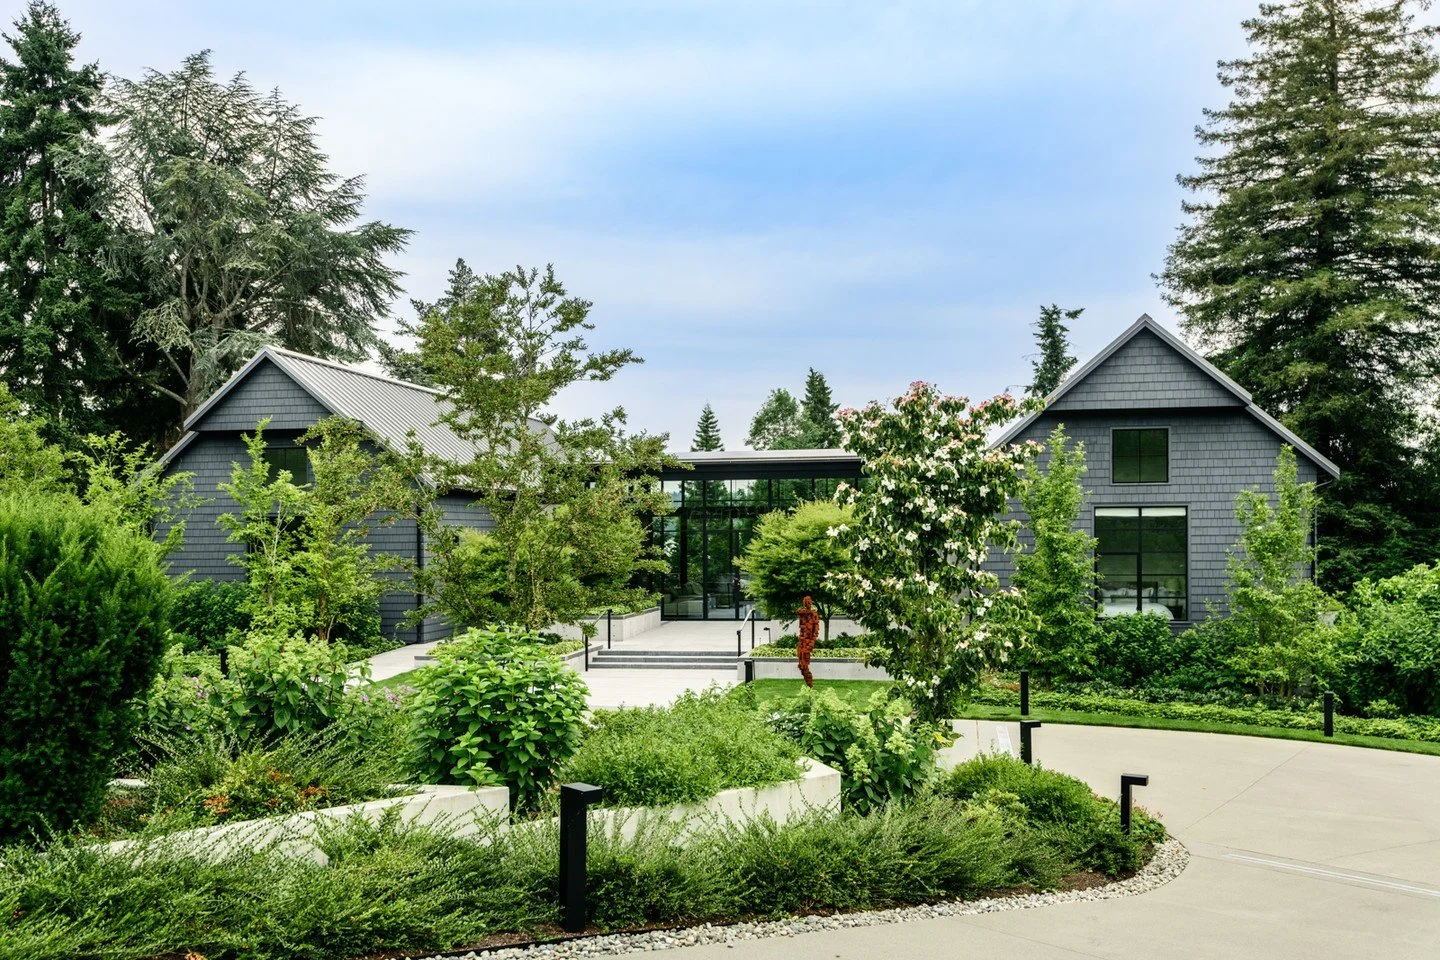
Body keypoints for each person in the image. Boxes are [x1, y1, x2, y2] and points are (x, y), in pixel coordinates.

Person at [795, 595, 819, 688]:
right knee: (801, 665)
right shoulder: (803, 614)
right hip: (802, 641)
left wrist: (811, 642)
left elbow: (815, 631)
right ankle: (808, 683)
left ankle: (810, 684)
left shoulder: (813, 615)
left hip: (808, 643)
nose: (807, 603)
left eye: (809, 602)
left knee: (804, 664)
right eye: (805, 602)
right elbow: (798, 612)